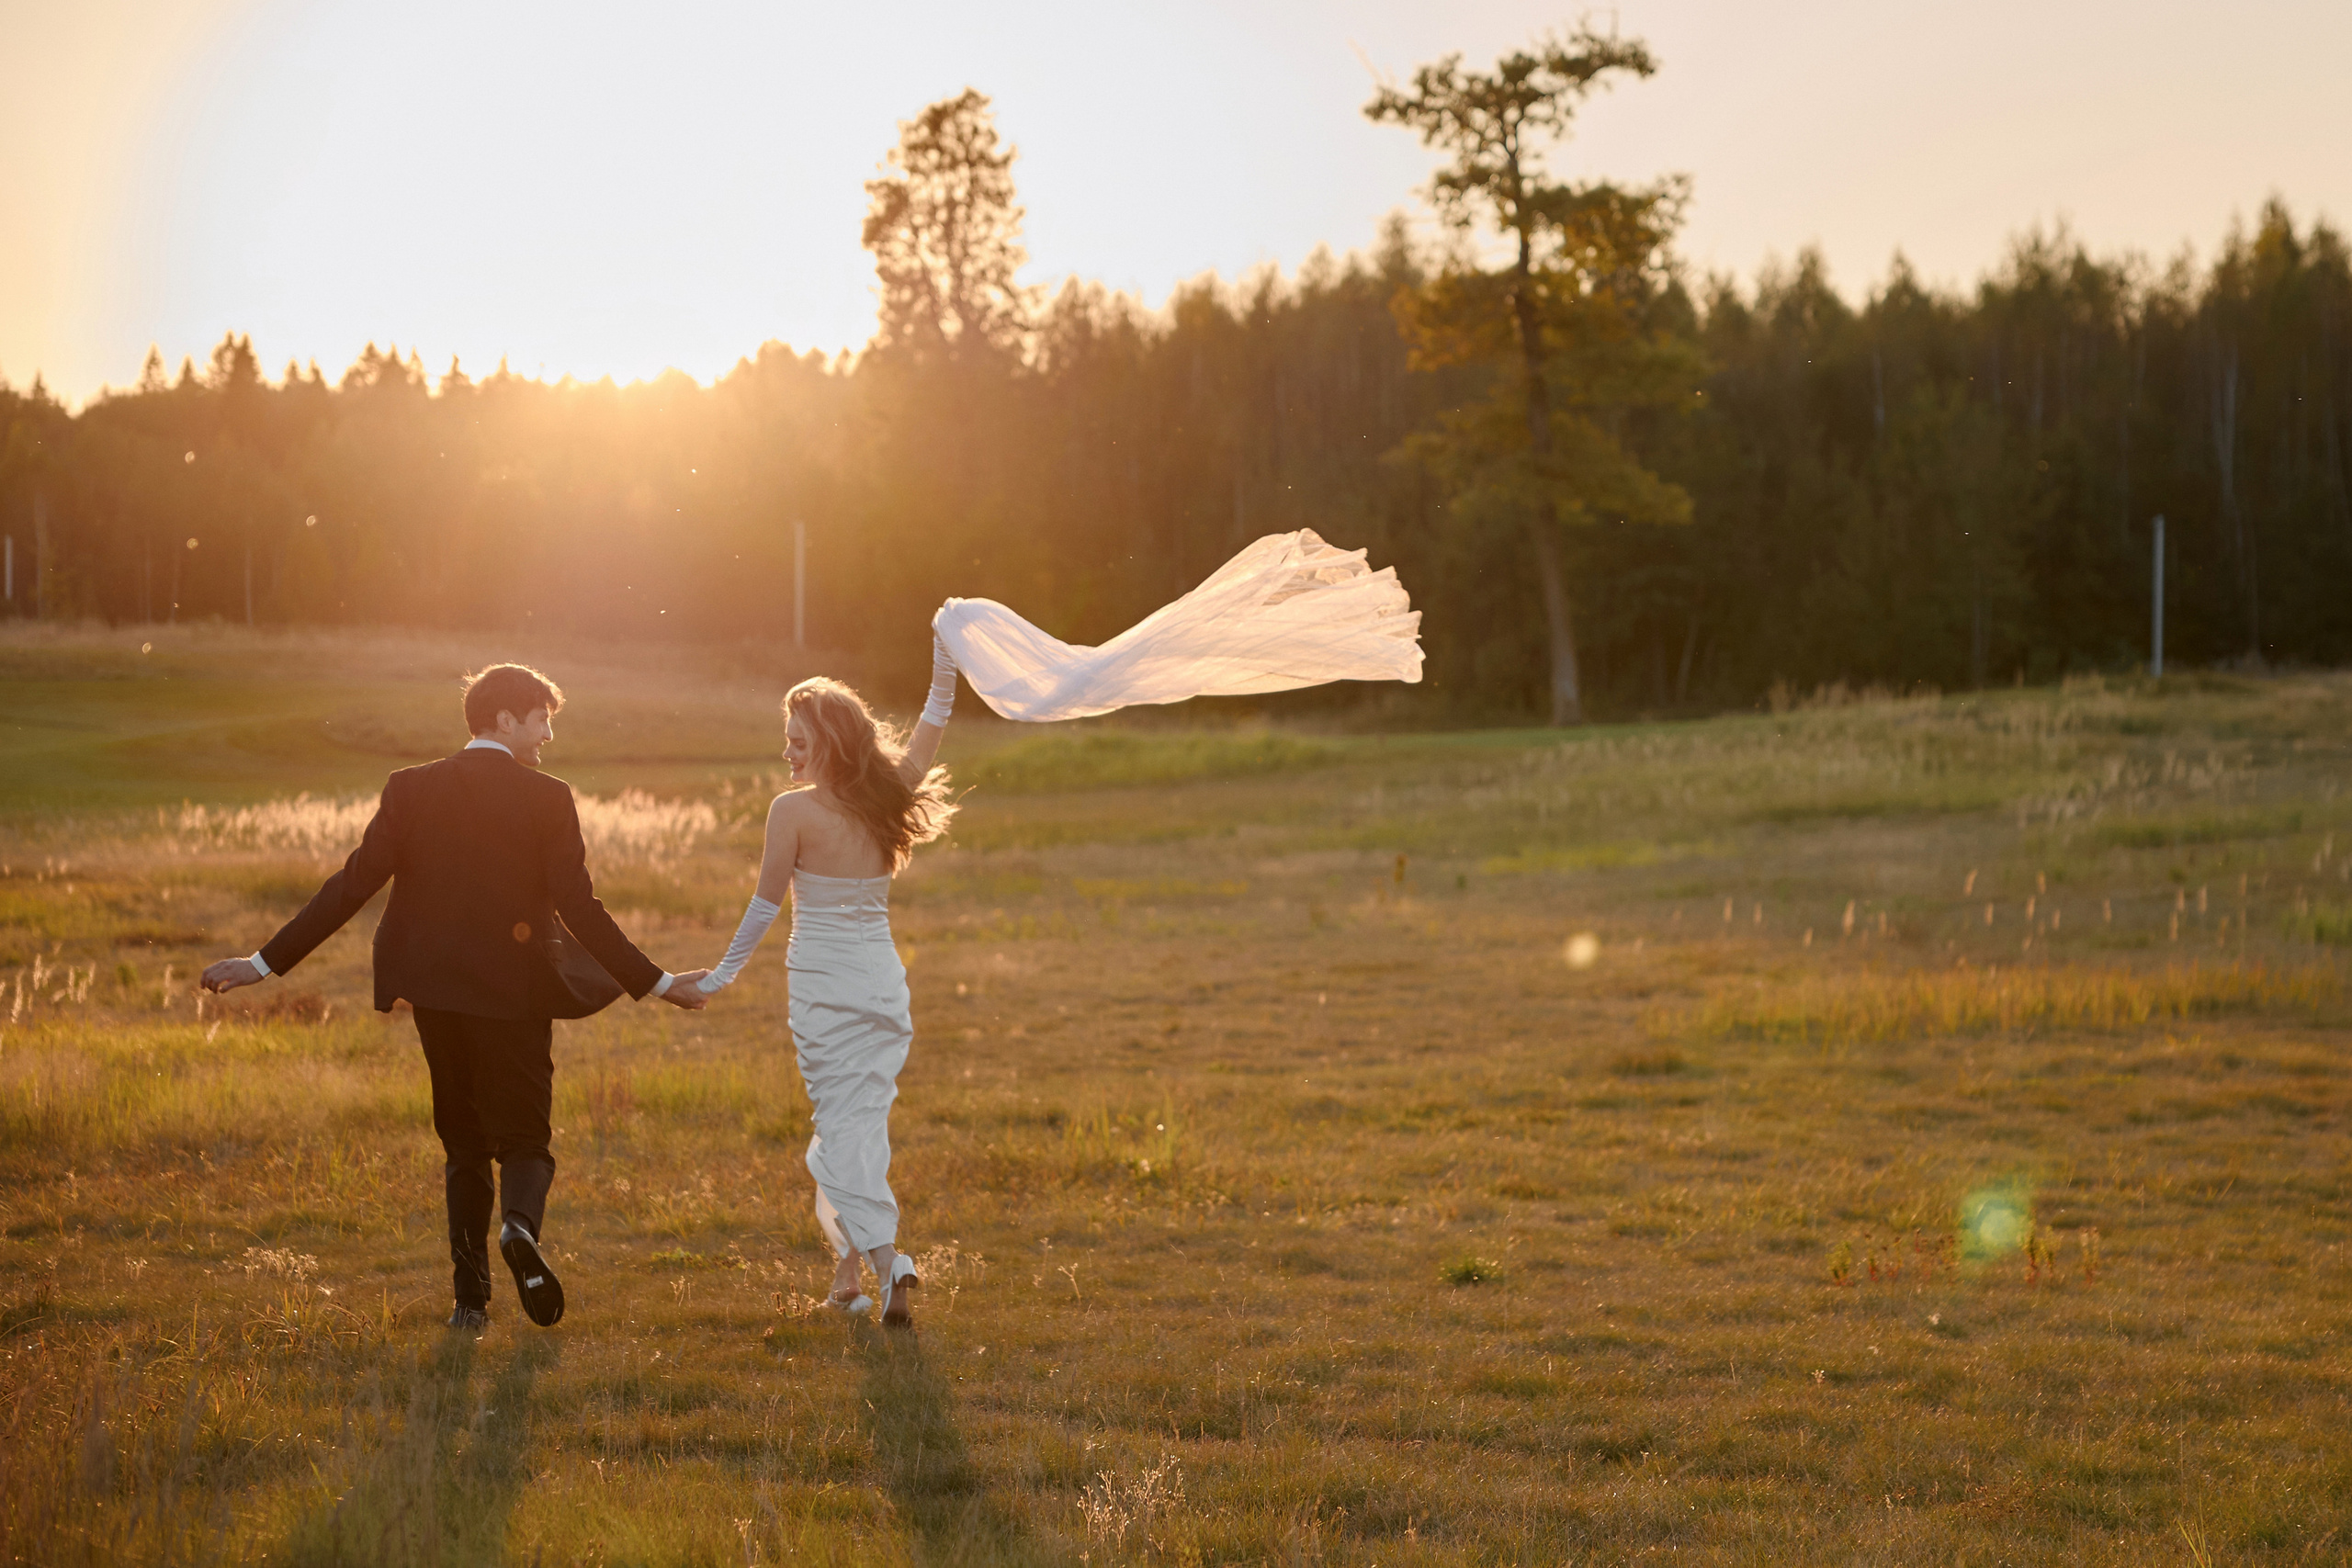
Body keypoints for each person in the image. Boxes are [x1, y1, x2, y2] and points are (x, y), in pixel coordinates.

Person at [201, 663, 710, 1334]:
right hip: (518, 995)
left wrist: (262, 963)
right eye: (540, 718)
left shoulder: (409, 788)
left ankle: (470, 1301)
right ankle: (519, 1229)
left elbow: (350, 886)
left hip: (436, 996)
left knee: (463, 1144)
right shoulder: (548, 797)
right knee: (526, 1140)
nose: (548, 733)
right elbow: (581, 908)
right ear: (504, 718)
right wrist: (661, 982)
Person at [694, 638, 957, 1325]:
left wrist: (721, 974)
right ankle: (848, 1275)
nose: (788, 753)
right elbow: (934, 720)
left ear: (830, 743)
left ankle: (888, 1259)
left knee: (842, 1127)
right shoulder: (887, 793)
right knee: (855, 1125)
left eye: (798, 741)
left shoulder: (794, 811)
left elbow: (763, 905)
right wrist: (944, 662)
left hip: (822, 985)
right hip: (881, 983)